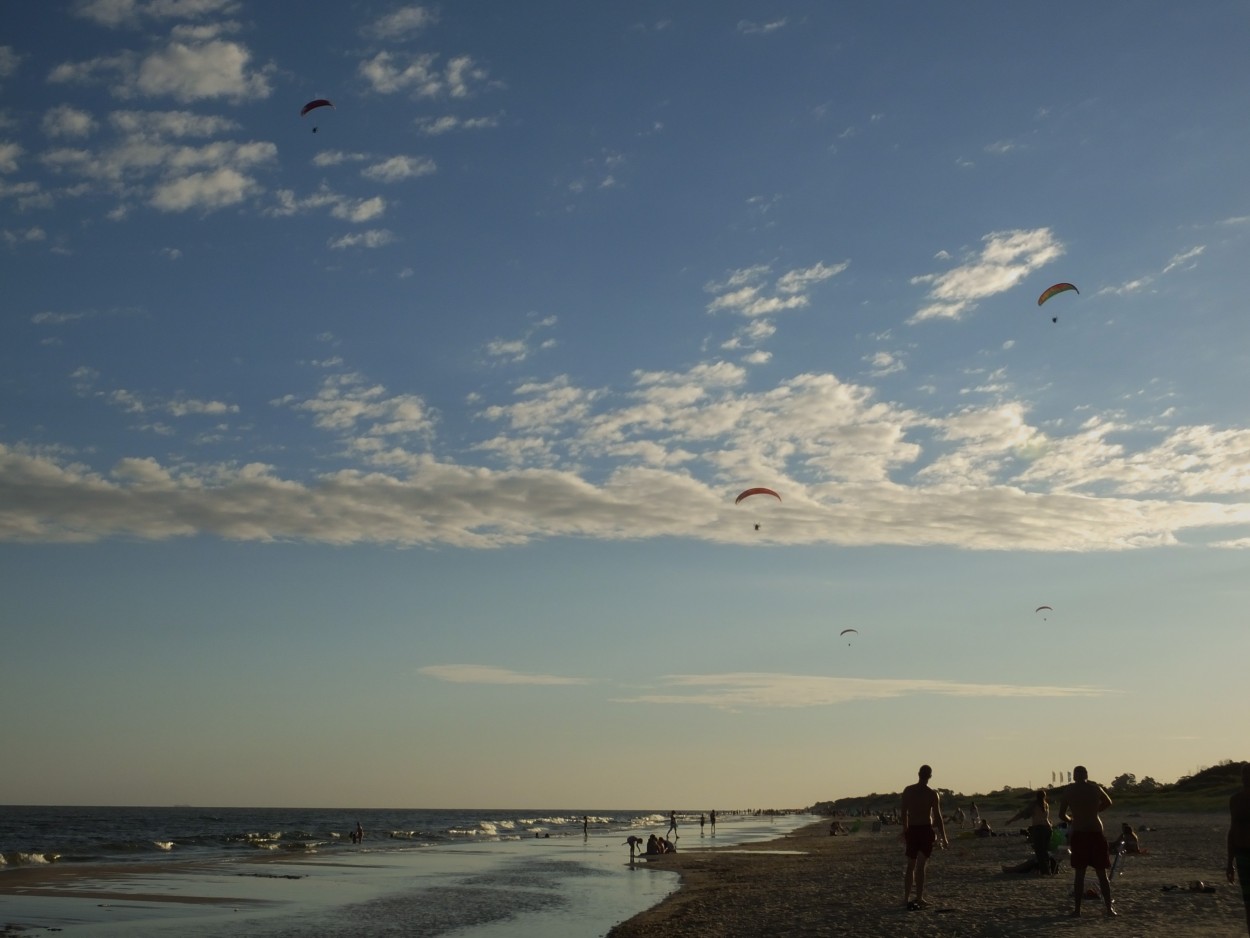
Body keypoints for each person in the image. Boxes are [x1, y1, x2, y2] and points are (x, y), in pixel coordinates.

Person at [1058, 765, 1115, 917]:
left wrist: (1072, 819)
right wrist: (1095, 811)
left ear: (1075, 776)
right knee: (1101, 873)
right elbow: (1108, 802)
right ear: (1086, 775)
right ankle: (1109, 908)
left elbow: (1061, 814)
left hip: (1080, 831)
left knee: (1080, 874)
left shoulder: (1069, 791)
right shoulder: (1094, 788)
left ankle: (1078, 910)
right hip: (1095, 830)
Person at [900, 764, 948, 910]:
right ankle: (919, 897)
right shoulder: (932, 794)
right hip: (925, 830)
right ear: (930, 776)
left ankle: (906, 897)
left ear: (918, 773)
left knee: (911, 866)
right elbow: (938, 817)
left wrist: (905, 830)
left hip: (913, 830)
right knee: (920, 866)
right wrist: (944, 837)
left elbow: (903, 813)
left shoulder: (908, 791)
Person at [1227, 762, 1250, 935]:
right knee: (1248, 901)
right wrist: (1229, 862)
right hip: (1242, 854)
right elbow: (1233, 829)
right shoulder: (1235, 800)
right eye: (1244, 775)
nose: (1245, 779)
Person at [1007, 789, 1053, 875]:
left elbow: (1022, 814)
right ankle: (1048, 869)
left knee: (1039, 851)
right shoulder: (1046, 805)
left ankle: (1045, 871)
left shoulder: (1034, 805)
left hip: (1039, 829)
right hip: (1047, 828)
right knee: (1045, 850)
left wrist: (1011, 820)